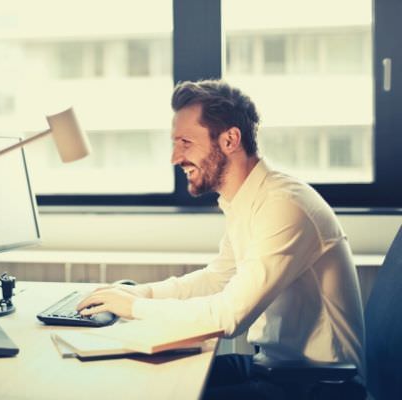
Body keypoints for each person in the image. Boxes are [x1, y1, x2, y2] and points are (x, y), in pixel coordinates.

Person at [77, 80, 365, 399]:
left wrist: (135, 307)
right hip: (275, 368)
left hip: (317, 386)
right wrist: (140, 293)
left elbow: (230, 316)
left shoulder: (284, 206)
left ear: (229, 140)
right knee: (145, 374)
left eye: (185, 142)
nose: (175, 157)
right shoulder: (248, 199)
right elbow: (218, 279)